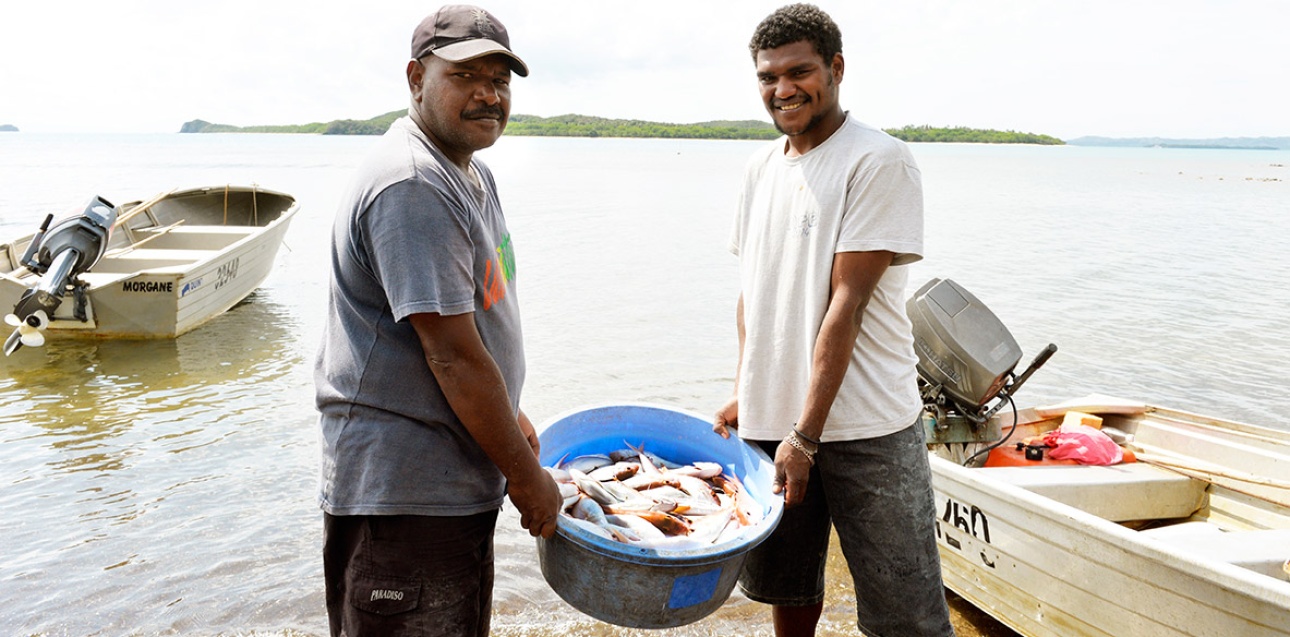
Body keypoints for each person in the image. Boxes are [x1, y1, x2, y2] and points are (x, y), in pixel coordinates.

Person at [313, 5, 562, 636]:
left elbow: (476, 321)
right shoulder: (413, 184)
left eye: (500, 79)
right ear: (415, 78)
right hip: (403, 495)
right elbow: (450, 355)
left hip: (450, 478)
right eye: (464, 75)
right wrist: (529, 480)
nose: (487, 94)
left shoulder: (469, 171)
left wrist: (510, 417)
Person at [713, 4, 955, 637]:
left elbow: (844, 308)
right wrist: (747, 390)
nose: (783, 89)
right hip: (774, 421)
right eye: (768, 76)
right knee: (786, 591)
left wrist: (807, 436)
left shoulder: (879, 161)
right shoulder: (759, 168)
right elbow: (754, 296)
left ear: (836, 68)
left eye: (800, 72)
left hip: (867, 427)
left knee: (907, 615)